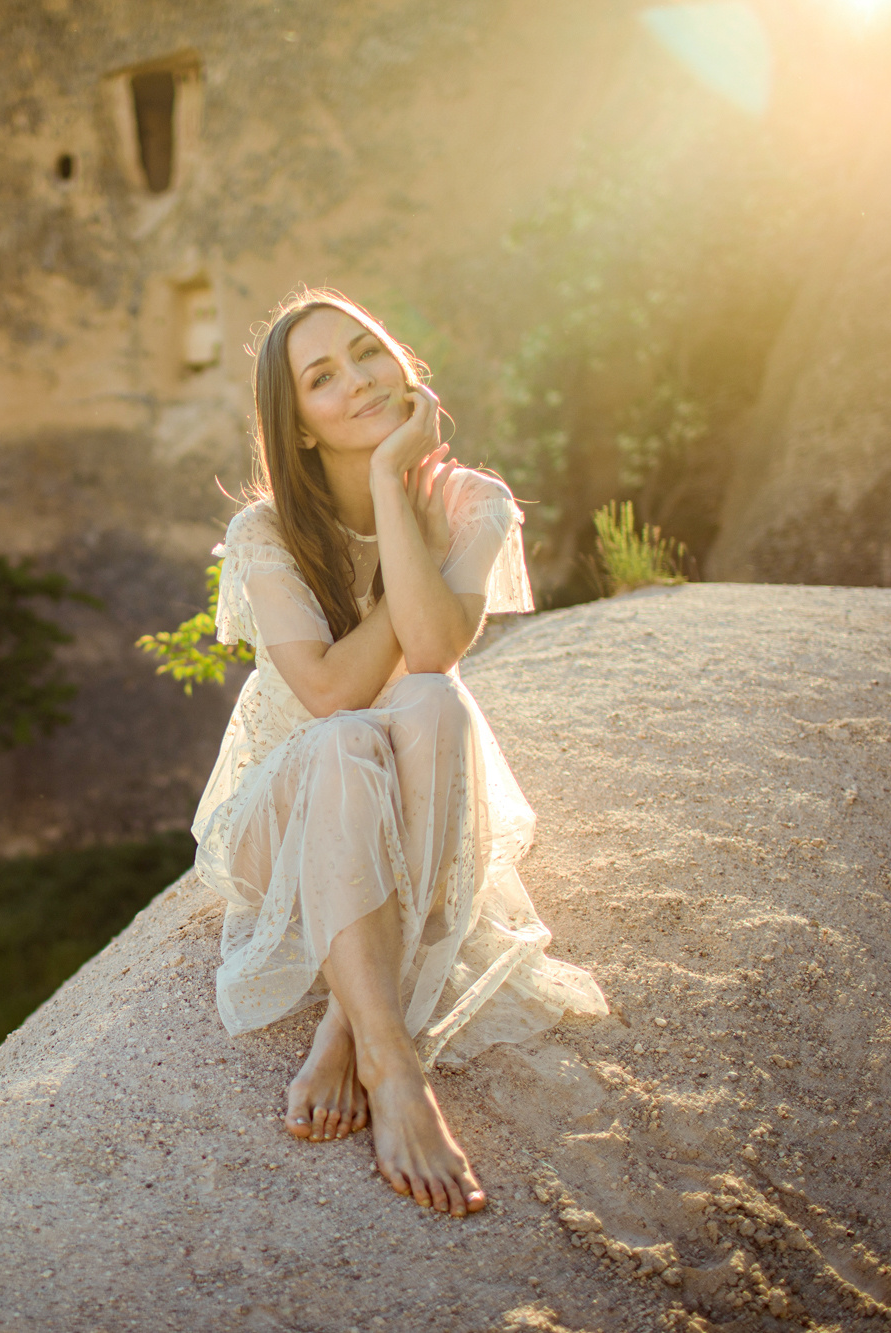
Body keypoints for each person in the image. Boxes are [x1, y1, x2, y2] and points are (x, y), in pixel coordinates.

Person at [192, 289, 607, 1219]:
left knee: (435, 699)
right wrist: (393, 516)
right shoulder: (265, 533)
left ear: (402, 363)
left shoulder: (474, 502)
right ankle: (397, 1064)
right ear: (297, 426)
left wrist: (393, 487)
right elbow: (331, 692)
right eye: (323, 378)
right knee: (345, 737)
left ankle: (351, 1027)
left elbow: (432, 651)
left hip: (410, 805)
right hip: (287, 827)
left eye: (367, 352)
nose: (359, 380)